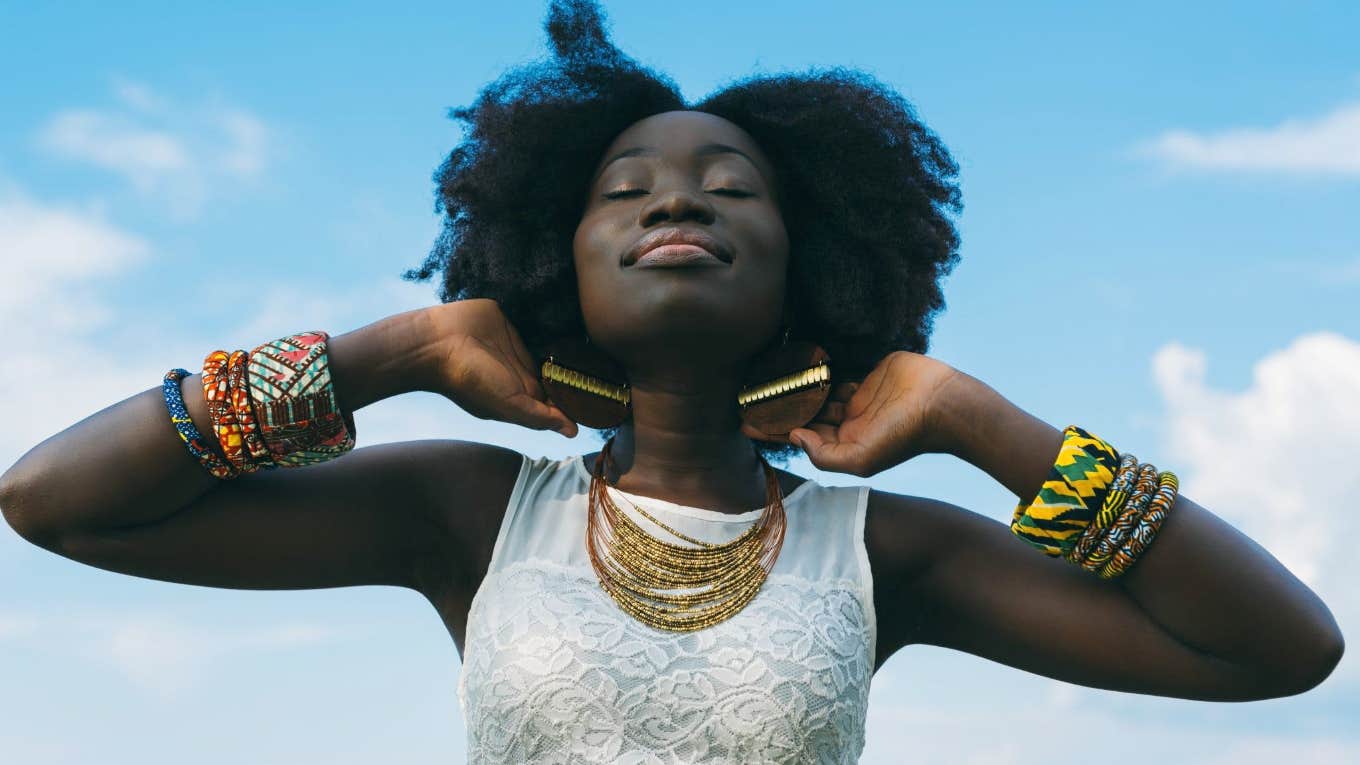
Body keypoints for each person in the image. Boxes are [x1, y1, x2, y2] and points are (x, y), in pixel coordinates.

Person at [0, 1, 1344, 763]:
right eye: (623, 190)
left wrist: (982, 424)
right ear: (554, 259)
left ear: (806, 265)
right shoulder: (473, 514)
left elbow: (1282, 651)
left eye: (729, 185)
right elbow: (56, 500)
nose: (675, 202)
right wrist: (392, 352)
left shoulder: (876, 551)